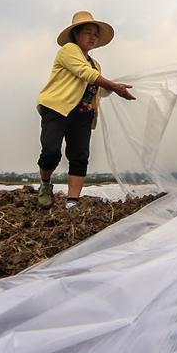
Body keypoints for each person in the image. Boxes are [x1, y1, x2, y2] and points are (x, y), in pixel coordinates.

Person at [35, 11, 135, 210]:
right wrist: (113, 86)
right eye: (88, 32)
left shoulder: (95, 64)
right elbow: (85, 74)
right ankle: (45, 184)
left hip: (83, 114)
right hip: (57, 109)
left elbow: (95, 88)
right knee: (51, 152)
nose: (92, 37)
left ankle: (72, 201)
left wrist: (112, 88)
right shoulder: (68, 50)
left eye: (95, 35)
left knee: (79, 155)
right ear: (76, 35)